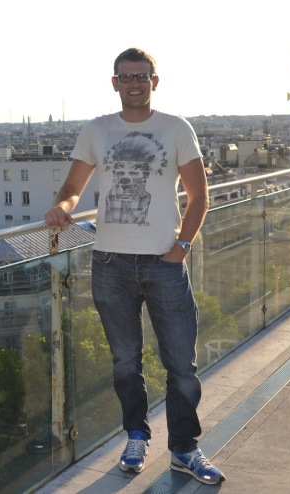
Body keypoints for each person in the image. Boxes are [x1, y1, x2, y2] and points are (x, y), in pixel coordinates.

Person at [44, 48, 225, 485]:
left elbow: (200, 196)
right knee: (125, 362)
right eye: (126, 77)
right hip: (111, 263)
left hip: (164, 262)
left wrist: (181, 247)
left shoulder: (176, 129)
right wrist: (62, 207)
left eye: (142, 77)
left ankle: (184, 448)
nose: (135, 84)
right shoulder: (97, 131)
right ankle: (136, 437)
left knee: (181, 363)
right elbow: (73, 186)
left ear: (154, 81)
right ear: (114, 83)